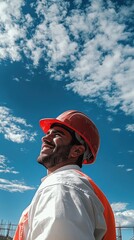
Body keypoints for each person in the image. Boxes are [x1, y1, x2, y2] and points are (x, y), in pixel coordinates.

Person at [13, 110, 116, 240]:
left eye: (57, 134)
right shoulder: (75, 186)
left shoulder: (62, 186)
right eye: (48, 133)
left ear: (77, 150)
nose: (45, 138)